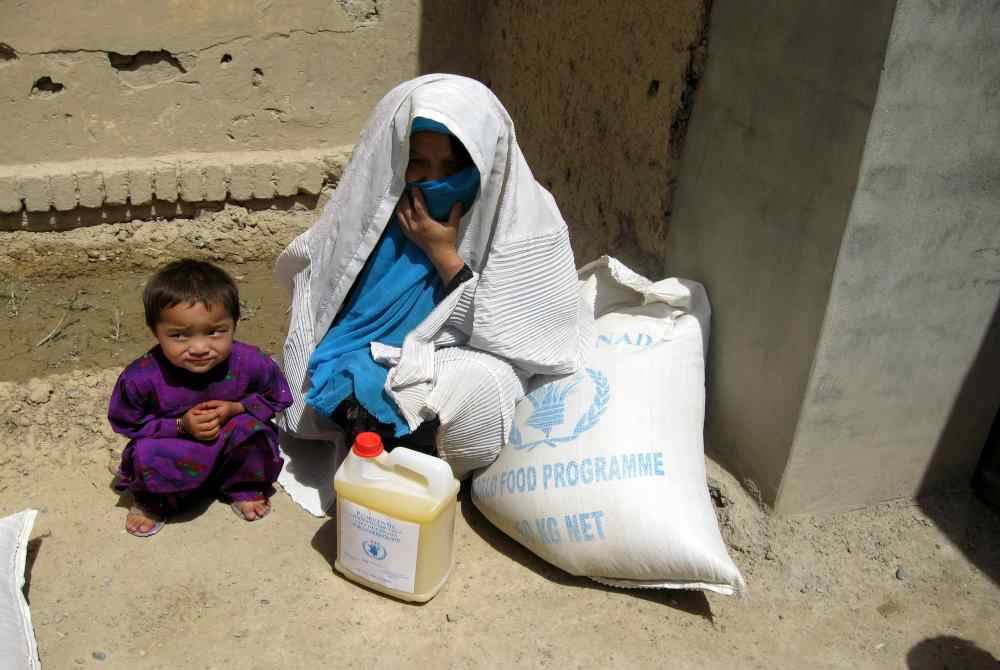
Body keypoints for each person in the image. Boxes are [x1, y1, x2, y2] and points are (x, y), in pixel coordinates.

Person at [276, 74, 591, 512]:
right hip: (373, 353)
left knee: (471, 386)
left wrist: (443, 254)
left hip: (463, 353)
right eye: (418, 164)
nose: (433, 182)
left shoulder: (525, 220)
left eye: (452, 169)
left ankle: (414, 475)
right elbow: (324, 288)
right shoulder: (376, 210)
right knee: (354, 376)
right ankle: (376, 480)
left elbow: (526, 340)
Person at [108, 259, 293, 537]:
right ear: (155, 331)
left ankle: (241, 486)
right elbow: (127, 423)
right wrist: (180, 425)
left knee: (255, 431)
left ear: (234, 324)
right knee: (146, 452)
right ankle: (156, 501)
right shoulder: (142, 377)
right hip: (178, 445)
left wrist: (237, 407)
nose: (199, 348)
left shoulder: (250, 361)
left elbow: (277, 397)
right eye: (179, 335)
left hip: (227, 443)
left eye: (215, 331)